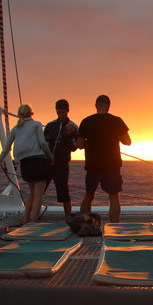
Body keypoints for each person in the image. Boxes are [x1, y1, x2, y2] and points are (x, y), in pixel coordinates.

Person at [0, 104, 54, 224]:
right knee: (38, 194)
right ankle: (33, 222)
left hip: (25, 163)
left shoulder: (15, 129)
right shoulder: (36, 124)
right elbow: (43, 143)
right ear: (31, 114)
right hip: (38, 161)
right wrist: (51, 157)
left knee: (31, 193)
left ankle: (25, 220)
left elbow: (5, 150)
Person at [77, 95, 131, 223]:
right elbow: (128, 142)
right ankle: (114, 227)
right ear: (109, 106)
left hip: (92, 164)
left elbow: (79, 145)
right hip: (112, 164)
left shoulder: (86, 121)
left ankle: (84, 225)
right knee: (114, 197)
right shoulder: (117, 121)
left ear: (96, 105)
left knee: (88, 195)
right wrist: (117, 138)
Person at [44, 99, 79, 218]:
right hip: (47, 163)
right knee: (39, 190)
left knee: (64, 192)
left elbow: (75, 147)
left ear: (67, 111)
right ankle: (32, 216)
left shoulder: (73, 127)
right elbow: (43, 143)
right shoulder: (50, 126)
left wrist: (70, 135)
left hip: (61, 164)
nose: (60, 115)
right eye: (58, 112)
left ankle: (68, 218)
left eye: (63, 112)